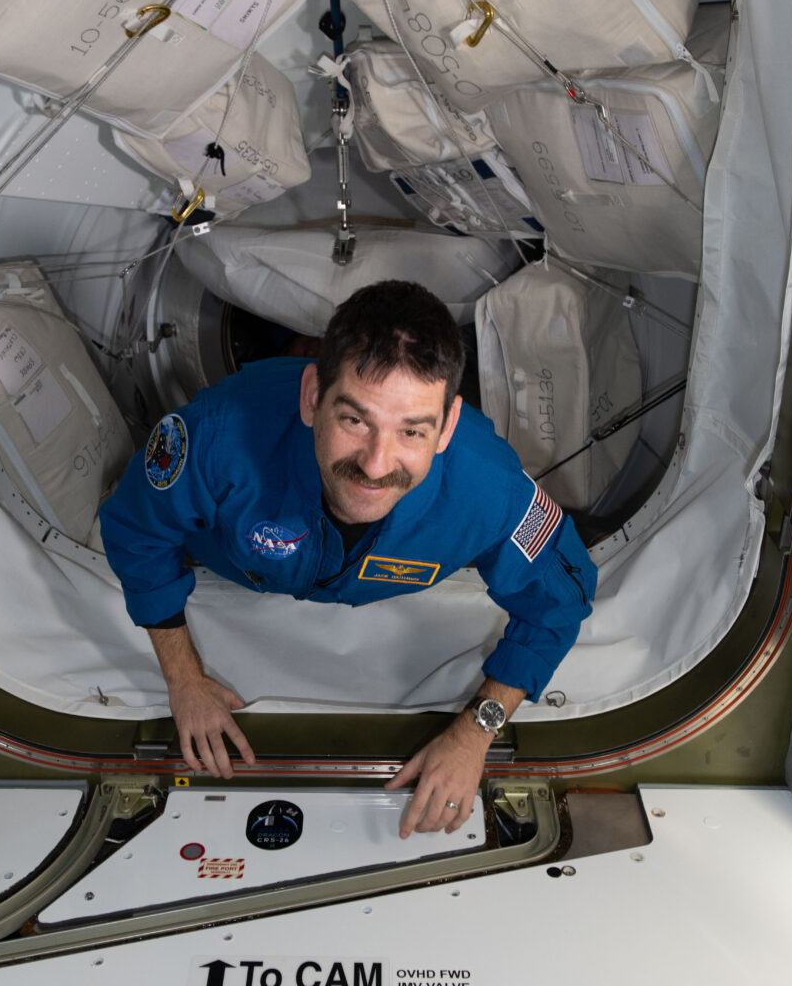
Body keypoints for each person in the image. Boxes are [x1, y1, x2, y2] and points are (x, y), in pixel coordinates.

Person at [98, 280, 597, 838]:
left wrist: (475, 732)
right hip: (226, 574)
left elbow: (560, 600)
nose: (377, 464)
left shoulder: (490, 489)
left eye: (413, 430)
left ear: (448, 426)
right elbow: (137, 532)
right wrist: (184, 681)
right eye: (355, 420)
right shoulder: (217, 434)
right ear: (313, 396)